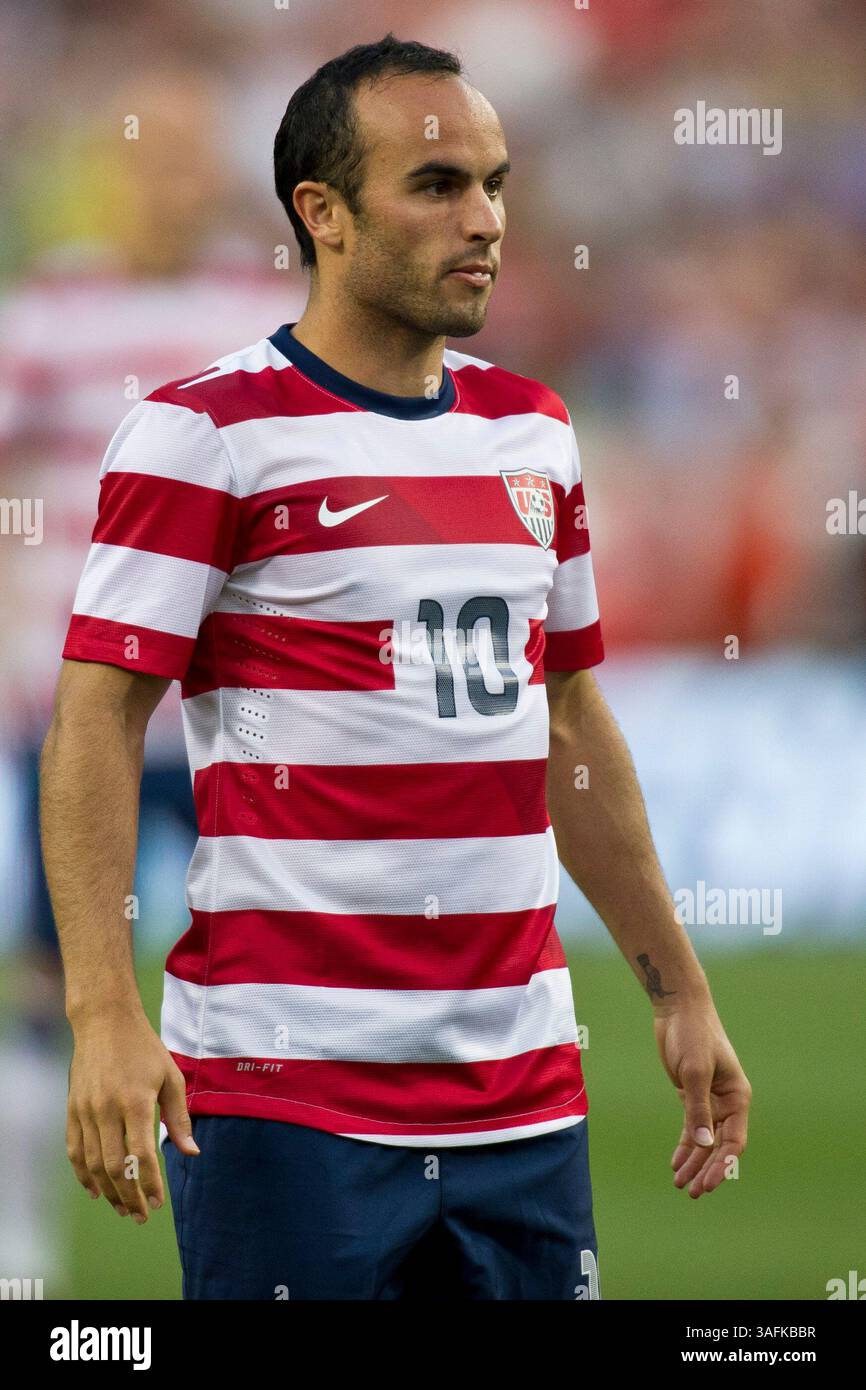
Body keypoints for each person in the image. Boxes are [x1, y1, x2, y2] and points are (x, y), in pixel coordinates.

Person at [40, 33, 751, 1301]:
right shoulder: (207, 432)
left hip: (522, 1095)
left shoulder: (532, 427)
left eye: (494, 182)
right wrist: (103, 1013)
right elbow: (95, 717)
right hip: (288, 1096)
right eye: (435, 187)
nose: (481, 219)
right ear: (321, 213)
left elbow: (569, 723)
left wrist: (677, 989)